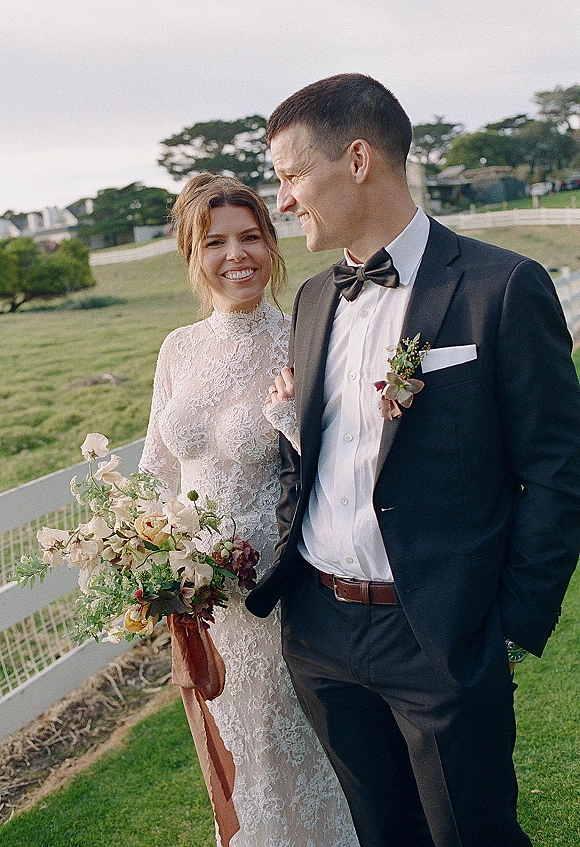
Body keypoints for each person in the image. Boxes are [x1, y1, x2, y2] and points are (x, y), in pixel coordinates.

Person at [246, 73, 580, 847]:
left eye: (293, 175)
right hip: (321, 632)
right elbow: (313, 450)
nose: (284, 200)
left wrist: (501, 622)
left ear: (357, 159)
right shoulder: (313, 300)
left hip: (439, 633)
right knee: (381, 833)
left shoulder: (503, 287)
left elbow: (559, 471)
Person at [139, 173, 358, 847]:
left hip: (282, 597)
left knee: (297, 750)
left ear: (272, 243)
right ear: (192, 253)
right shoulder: (178, 348)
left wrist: (291, 420)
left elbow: (340, 470)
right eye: (217, 241)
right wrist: (153, 560)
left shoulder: (303, 339)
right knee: (237, 758)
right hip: (207, 610)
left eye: (252, 236)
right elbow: (156, 470)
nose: (238, 255)